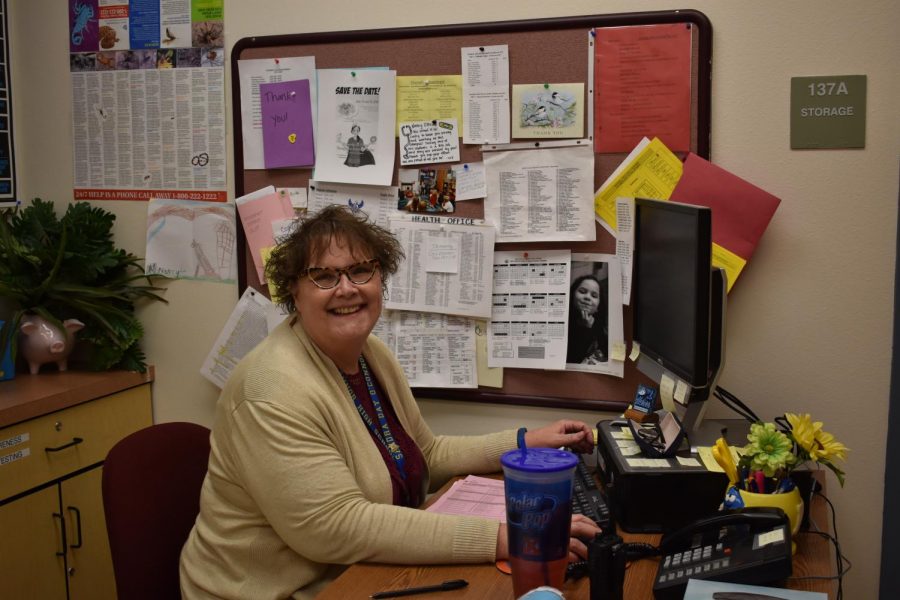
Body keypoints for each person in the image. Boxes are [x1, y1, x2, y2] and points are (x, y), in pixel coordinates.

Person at [180, 205, 600, 599]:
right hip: (273, 589)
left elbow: (427, 454)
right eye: (323, 276)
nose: (346, 289)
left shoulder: (370, 355)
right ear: (294, 288)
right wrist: (510, 536)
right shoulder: (269, 390)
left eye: (360, 270)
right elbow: (336, 526)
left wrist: (526, 442)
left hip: (356, 573)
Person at [566, 273, 608, 364]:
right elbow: (572, 360)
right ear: (572, 295)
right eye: (582, 291)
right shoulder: (563, 321)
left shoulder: (599, 324)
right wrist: (585, 330)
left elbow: (606, 351)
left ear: (598, 306)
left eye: (594, 296)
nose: (587, 297)